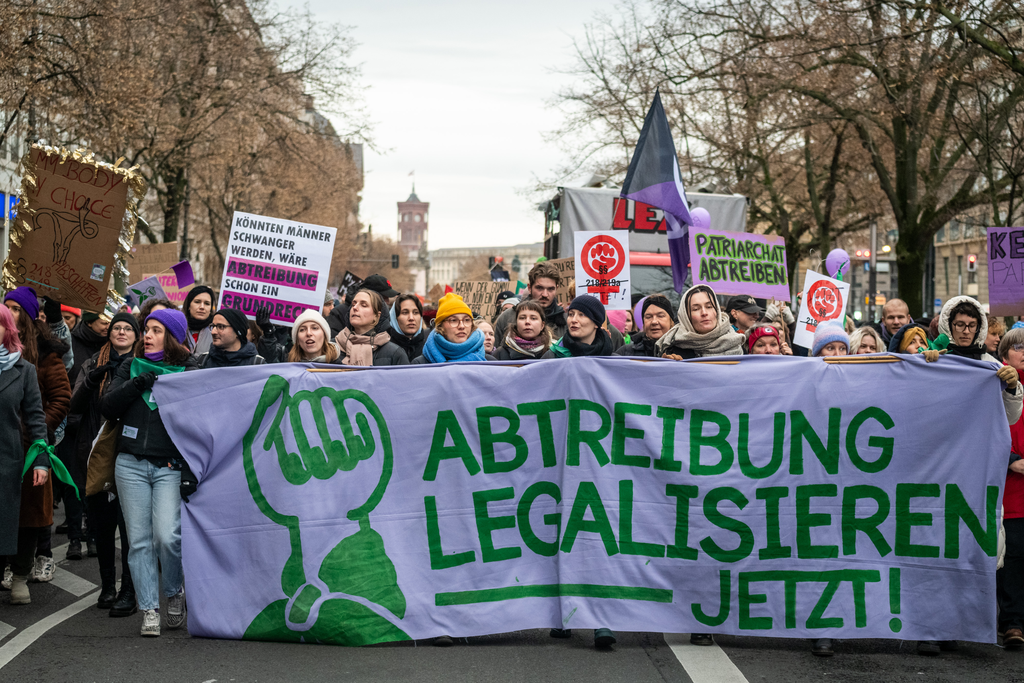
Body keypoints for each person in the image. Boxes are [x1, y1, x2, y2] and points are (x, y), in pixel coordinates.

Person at [102, 309, 197, 637]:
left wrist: (190, 471)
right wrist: (136, 384)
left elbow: (200, 423)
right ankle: (149, 608)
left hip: (169, 468)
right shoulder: (131, 366)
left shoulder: (189, 370)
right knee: (138, 541)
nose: (147, 335)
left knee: (167, 537)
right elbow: (108, 406)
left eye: (156, 330)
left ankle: (173, 592)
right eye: (147, 329)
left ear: (172, 336)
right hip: (129, 465)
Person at [69, 312, 139, 613]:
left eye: (128, 328)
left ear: (136, 335)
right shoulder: (92, 363)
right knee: (102, 522)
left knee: (130, 526)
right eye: (116, 328)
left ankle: (128, 588)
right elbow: (74, 404)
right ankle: (108, 585)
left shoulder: (143, 364)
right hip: (98, 452)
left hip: (131, 450)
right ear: (108, 333)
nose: (121, 332)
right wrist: (91, 382)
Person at [3, 288, 72, 585]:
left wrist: (35, 431)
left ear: (29, 317)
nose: (12, 313)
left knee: (32, 510)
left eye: (17, 308)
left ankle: (35, 559)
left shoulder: (45, 351)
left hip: (33, 442)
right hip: (5, 440)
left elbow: (59, 397)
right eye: (8, 307)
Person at [0, 305, 50, 605]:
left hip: (9, 459)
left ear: (8, 329)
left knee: (18, 522)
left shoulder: (24, 370)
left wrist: (41, 459)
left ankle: (19, 576)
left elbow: (35, 418)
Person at [998, 327, 1024, 650]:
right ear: (1005, 356)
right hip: (1012, 489)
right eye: (1019, 346)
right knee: (1014, 556)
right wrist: (1011, 459)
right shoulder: (995, 384)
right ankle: (1013, 623)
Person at [657, 285, 745, 360]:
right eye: (696, 309)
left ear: (717, 311)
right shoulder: (673, 349)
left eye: (709, 306)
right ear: (686, 317)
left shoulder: (736, 343)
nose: (704, 313)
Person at [494, 262, 567, 342]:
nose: (545, 294)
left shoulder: (567, 321)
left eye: (550, 289)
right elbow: (496, 352)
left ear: (556, 289)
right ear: (529, 288)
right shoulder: (507, 318)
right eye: (539, 288)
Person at [412, 293, 494, 364]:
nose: (462, 326)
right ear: (441, 326)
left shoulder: (489, 362)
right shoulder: (420, 364)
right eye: (454, 320)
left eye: (467, 320)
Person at [334, 290, 409, 366]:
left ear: (377, 316)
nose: (355, 308)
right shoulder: (331, 347)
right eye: (353, 304)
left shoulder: (395, 353)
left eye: (363, 305)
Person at [328, 274, 399, 337]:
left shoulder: (390, 349)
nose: (387, 302)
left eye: (364, 305)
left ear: (377, 315)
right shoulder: (339, 313)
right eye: (384, 297)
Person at [544, 296, 614, 359]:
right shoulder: (551, 357)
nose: (574, 320)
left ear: (596, 323)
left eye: (582, 315)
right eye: (571, 314)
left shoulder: (613, 360)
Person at [195, 308, 266, 368]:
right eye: (213, 326)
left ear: (237, 331)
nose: (213, 332)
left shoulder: (257, 365)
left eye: (221, 327)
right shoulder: (202, 360)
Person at [389, 294, 428, 362]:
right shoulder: (385, 348)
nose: (411, 318)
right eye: (405, 313)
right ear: (395, 318)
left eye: (416, 312)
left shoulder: (430, 346)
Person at [182, 285, 215, 354]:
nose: (202, 307)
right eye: (197, 302)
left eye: (207, 303)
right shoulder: (177, 329)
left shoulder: (216, 331)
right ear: (188, 306)